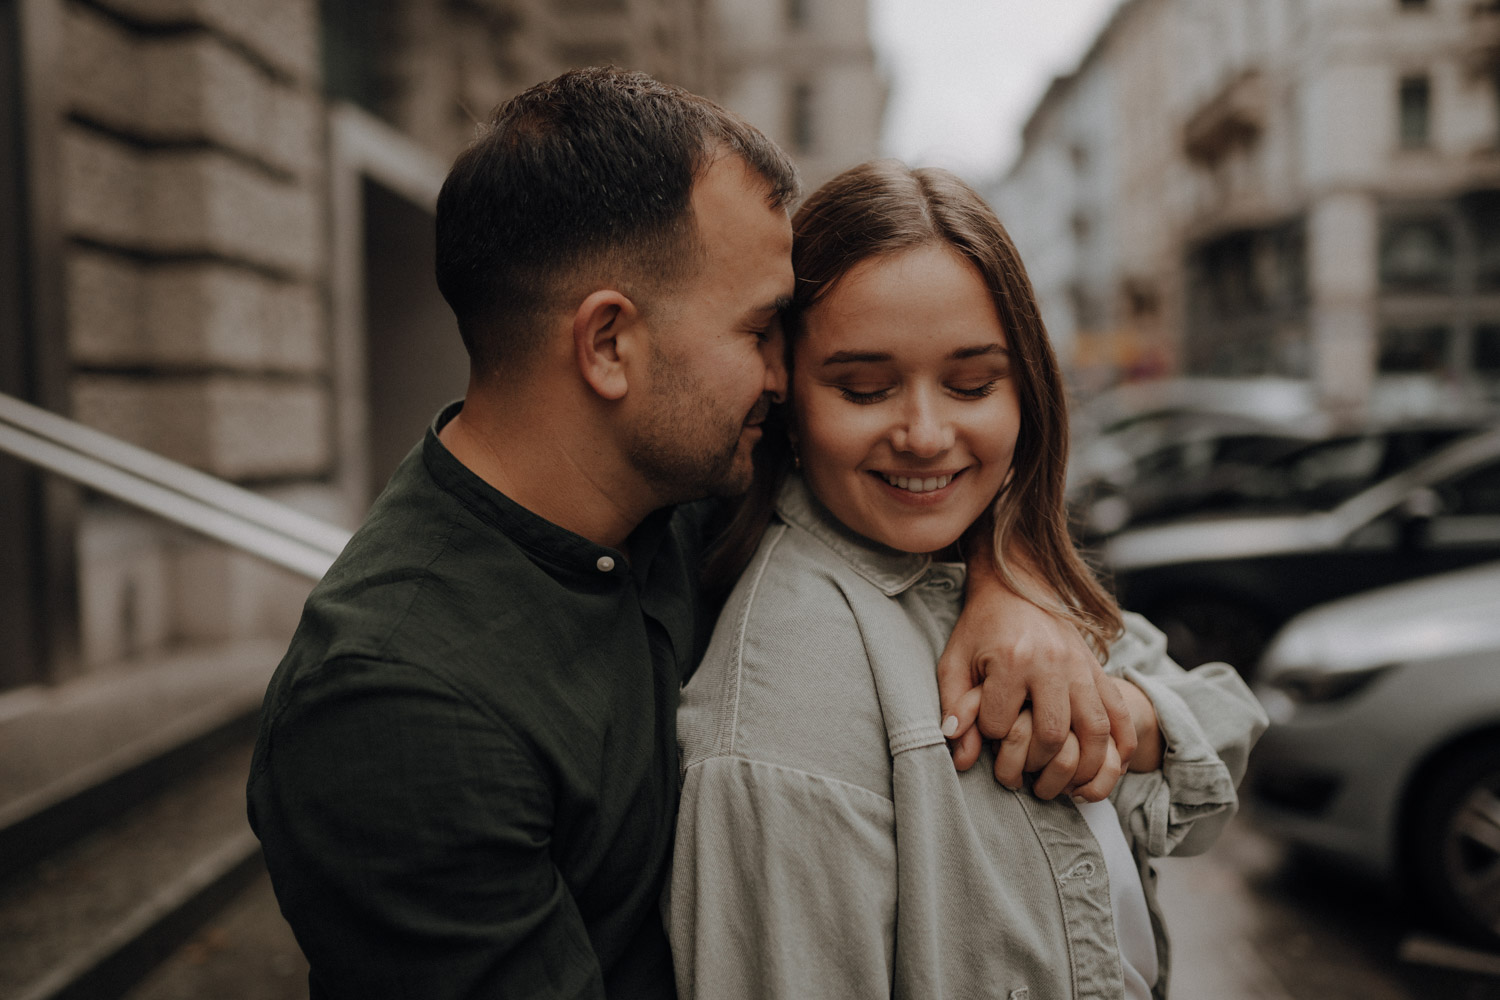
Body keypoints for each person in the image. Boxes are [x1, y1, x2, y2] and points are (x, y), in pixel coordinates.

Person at [248, 69, 1134, 1000]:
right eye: (759, 329)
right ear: (609, 345)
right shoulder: (396, 707)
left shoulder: (681, 487)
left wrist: (1007, 577)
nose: (783, 379)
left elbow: (932, 476)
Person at [669, 161, 1270, 999]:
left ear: (1028, 393)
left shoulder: (1004, 573)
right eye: (865, 388)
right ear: (791, 398)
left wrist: (1121, 713)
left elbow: (1226, 734)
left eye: (972, 384)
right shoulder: (789, 706)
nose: (924, 433)